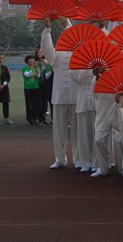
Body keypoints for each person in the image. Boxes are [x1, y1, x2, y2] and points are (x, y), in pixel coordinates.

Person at [41, 18, 80, 169]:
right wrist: (47, 29)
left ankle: (79, 158)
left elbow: (74, 35)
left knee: (77, 131)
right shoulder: (55, 54)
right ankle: (60, 159)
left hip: (75, 97)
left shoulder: (78, 52)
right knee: (59, 131)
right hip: (59, 97)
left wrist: (67, 24)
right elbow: (46, 48)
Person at [71, 68, 97, 173]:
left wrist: (98, 73)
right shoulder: (77, 64)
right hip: (83, 102)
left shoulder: (100, 62)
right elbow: (77, 79)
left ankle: (96, 162)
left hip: (96, 102)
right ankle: (85, 162)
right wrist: (85, 70)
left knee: (97, 134)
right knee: (83, 134)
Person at [21, 55, 42, 125]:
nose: (31, 60)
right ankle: (30, 119)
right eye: (29, 59)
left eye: (32, 59)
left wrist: (35, 70)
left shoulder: (37, 68)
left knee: (37, 104)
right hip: (28, 88)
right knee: (29, 105)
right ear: (27, 61)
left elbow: (38, 76)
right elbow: (27, 75)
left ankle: (36, 118)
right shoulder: (24, 68)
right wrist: (33, 69)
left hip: (36, 88)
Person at [35, 48, 53, 124]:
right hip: (37, 85)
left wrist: (50, 69)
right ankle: (42, 119)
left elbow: (47, 75)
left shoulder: (47, 62)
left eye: (41, 52)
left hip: (47, 85)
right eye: (38, 52)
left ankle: (53, 119)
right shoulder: (34, 63)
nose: (39, 53)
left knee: (51, 101)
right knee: (41, 102)